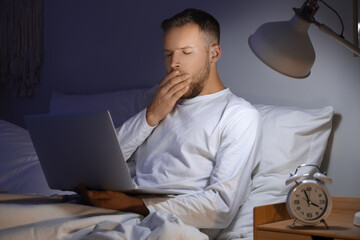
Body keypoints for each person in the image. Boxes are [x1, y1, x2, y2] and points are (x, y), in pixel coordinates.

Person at [77, 8, 262, 230]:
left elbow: (221, 206)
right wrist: (151, 115)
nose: (174, 63)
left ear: (214, 54)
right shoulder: (158, 102)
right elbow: (103, 162)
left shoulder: (239, 115)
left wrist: (137, 205)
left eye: (186, 52)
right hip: (119, 212)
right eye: (168, 53)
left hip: (170, 223)